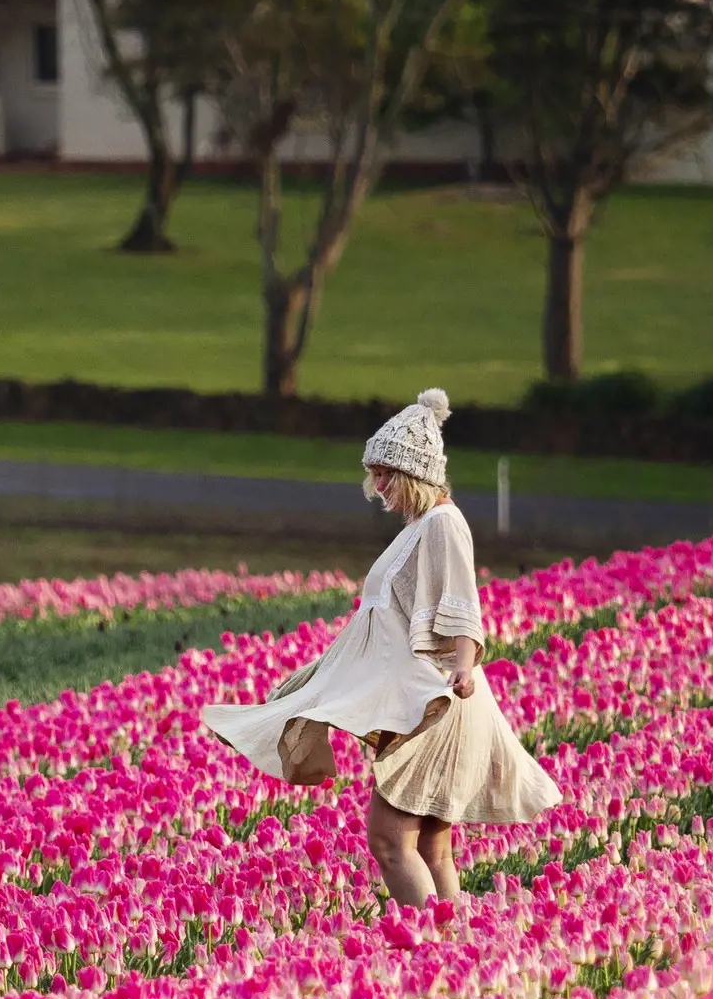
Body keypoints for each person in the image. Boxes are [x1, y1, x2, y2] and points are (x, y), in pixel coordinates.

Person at [201, 388, 560, 906]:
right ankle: (458, 951)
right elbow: (381, 621)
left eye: (385, 474)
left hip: (439, 700)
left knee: (390, 841)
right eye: (374, 473)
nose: (376, 486)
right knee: (432, 849)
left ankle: (427, 954)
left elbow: (463, 601)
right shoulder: (418, 527)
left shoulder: (443, 523)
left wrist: (463, 664)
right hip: (426, 696)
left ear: (413, 473)